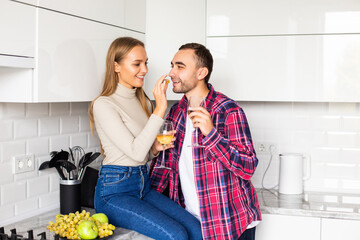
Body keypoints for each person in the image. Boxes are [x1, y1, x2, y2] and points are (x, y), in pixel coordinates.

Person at [89, 37, 202, 240]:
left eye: (145, 63)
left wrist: (155, 149)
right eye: (136, 64)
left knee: (196, 229)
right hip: (115, 193)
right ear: (116, 66)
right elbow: (135, 152)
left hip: (143, 185)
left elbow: (142, 155)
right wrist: (160, 109)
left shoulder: (143, 102)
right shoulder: (104, 104)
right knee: (176, 235)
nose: (144, 70)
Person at [150, 43, 262, 240]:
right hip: (191, 222)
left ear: (201, 72)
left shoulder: (228, 110)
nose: (171, 73)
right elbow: (164, 168)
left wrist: (211, 133)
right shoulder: (176, 112)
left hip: (230, 224)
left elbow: (248, 167)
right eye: (172, 65)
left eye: (180, 66)